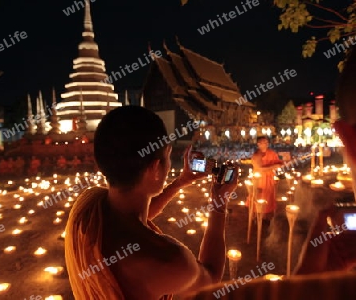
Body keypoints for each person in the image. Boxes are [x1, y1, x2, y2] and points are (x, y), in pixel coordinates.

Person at [186, 4, 356, 299]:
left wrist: (306, 283)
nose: (262, 145)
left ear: (354, 148)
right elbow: (260, 167)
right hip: (262, 183)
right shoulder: (259, 155)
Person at [64, 106, 238, 299]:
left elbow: (136, 216)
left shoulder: (88, 205)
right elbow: (211, 277)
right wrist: (219, 203)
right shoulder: (168, 260)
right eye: (167, 156)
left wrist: (182, 181)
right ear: (155, 167)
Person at [250, 137, 283, 218]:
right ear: (258, 144)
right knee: (258, 196)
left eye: (267, 142)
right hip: (259, 180)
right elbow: (259, 168)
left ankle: (267, 216)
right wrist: (273, 167)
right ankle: (256, 215)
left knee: (269, 198)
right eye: (263, 142)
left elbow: (279, 164)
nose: (266, 144)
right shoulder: (256, 155)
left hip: (269, 179)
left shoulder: (272, 153)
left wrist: (282, 164)